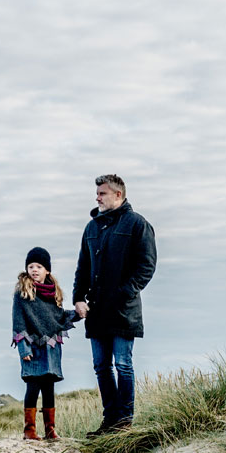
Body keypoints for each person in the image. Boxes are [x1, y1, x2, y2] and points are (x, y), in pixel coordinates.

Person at [73, 174, 157, 438]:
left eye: (102, 193)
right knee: (101, 366)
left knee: (123, 364)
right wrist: (78, 298)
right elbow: (83, 268)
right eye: (97, 193)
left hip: (123, 310)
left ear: (118, 195)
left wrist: (124, 293)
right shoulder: (92, 228)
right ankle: (110, 421)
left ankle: (125, 422)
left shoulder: (137, 224)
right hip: (96, 311)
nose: (97, 197)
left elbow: (147, 266)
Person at [12, 247, 80, 441]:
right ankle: (29, 430)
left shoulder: (53, 294)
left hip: (50, 348)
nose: (34, 269)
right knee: (33, 386)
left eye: (39, 266)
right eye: (31, 266)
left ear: (47, 270)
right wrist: (23, 348)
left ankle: (50, 430)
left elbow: (59, 318)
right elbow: (18, 322)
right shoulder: (22, 293)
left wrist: (78, 313)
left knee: (49, 388)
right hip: (32, 347)